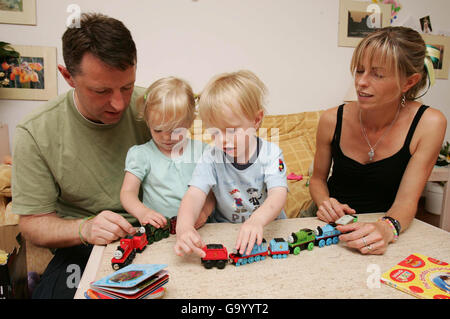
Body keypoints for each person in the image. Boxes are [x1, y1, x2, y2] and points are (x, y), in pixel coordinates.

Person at [11, 13, 150, 298]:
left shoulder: (152, 107)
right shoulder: (36, 132)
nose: (119, 103)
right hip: (83, 247)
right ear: (67, 76)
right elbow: (32, 223)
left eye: (127, 86)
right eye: (101, 91)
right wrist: (84, 229)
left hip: (153, 235)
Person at [309, 26, 447, 255]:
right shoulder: (331, 119)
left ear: (409, 82)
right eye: (359, 70)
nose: (361, 82)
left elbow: (406, 202)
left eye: (377, 74)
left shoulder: (429, 123)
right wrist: (325, 203)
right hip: (329, 228)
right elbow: (316, 180)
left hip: (388, 224)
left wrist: (386, 227)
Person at [174, 70, 288, 258]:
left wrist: (257, 220)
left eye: (232, 130)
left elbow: (278, 194)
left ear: (256, 120)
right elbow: (194, 195)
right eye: (215, 133)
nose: (223, 141)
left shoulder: (271, 153)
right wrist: (184, 227)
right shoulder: (211, 156)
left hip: (268, 228)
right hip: (225, 232)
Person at [120, 77, 215, 229]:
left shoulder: (203, 151)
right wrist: (143, 213)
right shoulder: (141, 154)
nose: (166, 138)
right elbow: (127, 193)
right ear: (148, 122)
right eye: (157, 130)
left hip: (200, 227)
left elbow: (211, 193)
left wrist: (204, 214)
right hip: (159, 228)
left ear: (190, 122)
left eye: (175, 131)